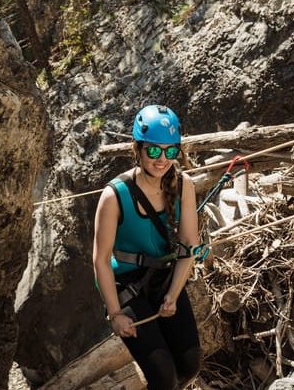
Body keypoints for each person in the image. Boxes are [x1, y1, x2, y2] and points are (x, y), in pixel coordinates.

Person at [93, 104, 201, 390]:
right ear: (137, 149)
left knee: (190, 365)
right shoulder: (114, 195)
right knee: (163, 376)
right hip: (127, 285)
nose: (162, 159)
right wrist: (115, 314)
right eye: (153, 151)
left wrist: (174, 295)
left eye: (170, 151)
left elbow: (190, 244)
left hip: (164, 277)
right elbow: (101, 260)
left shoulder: (184, 185)